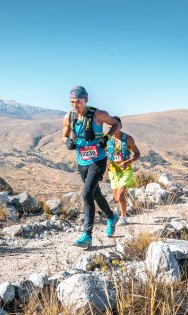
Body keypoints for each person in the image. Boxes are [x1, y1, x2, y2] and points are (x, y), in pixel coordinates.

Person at [62, 86, 121, 249]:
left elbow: (115, 124)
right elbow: (64, 134)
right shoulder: (69, 116)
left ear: (86, 100)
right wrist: (67, 142)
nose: (75, 105)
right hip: (82, 162)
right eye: (72, 102)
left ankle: (87, 235)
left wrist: (106, 138)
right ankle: (111, 217)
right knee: (95, 194)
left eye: (78, 102)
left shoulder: (98, 114)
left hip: (98, 160)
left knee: (87, 193)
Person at [106, 116, 140, 225]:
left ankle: (123, 217)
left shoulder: (128, 139)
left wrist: (127, 162)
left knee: (120, 195)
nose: (113, 128)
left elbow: (137, 154)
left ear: (120, 126)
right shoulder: (107, 140)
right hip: (113, 172)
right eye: (111, 126)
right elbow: (104, 154)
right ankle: (128, 196)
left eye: (115, 126)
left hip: (126, 171)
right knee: (116, 198)